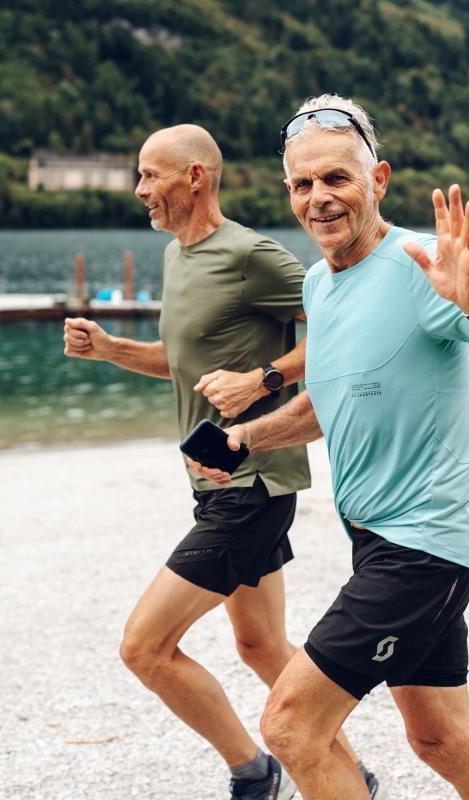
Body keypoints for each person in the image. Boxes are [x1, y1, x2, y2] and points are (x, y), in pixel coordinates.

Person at [188, 94, 469, 800]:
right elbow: (331, 399)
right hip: (377, 541)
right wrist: (245, 438)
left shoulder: (420, 266)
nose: (319, 198)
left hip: (422, 547)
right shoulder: (318, 284)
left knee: (292, 725)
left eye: (337, 178)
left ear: (378, 180)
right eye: (303, 184)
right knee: (442, 739)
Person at [61, 124, 379, 800]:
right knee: (260, 645)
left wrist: (264, 379)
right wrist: (111, 349)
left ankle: (254, 772)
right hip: (212, 479)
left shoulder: (250, 255)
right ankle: (352, 776)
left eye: (150, 175)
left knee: (144, 647)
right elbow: (183, 362)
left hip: (252, 482)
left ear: (196, 176)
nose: (140, 190)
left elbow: (343, 325)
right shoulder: (177, 256)